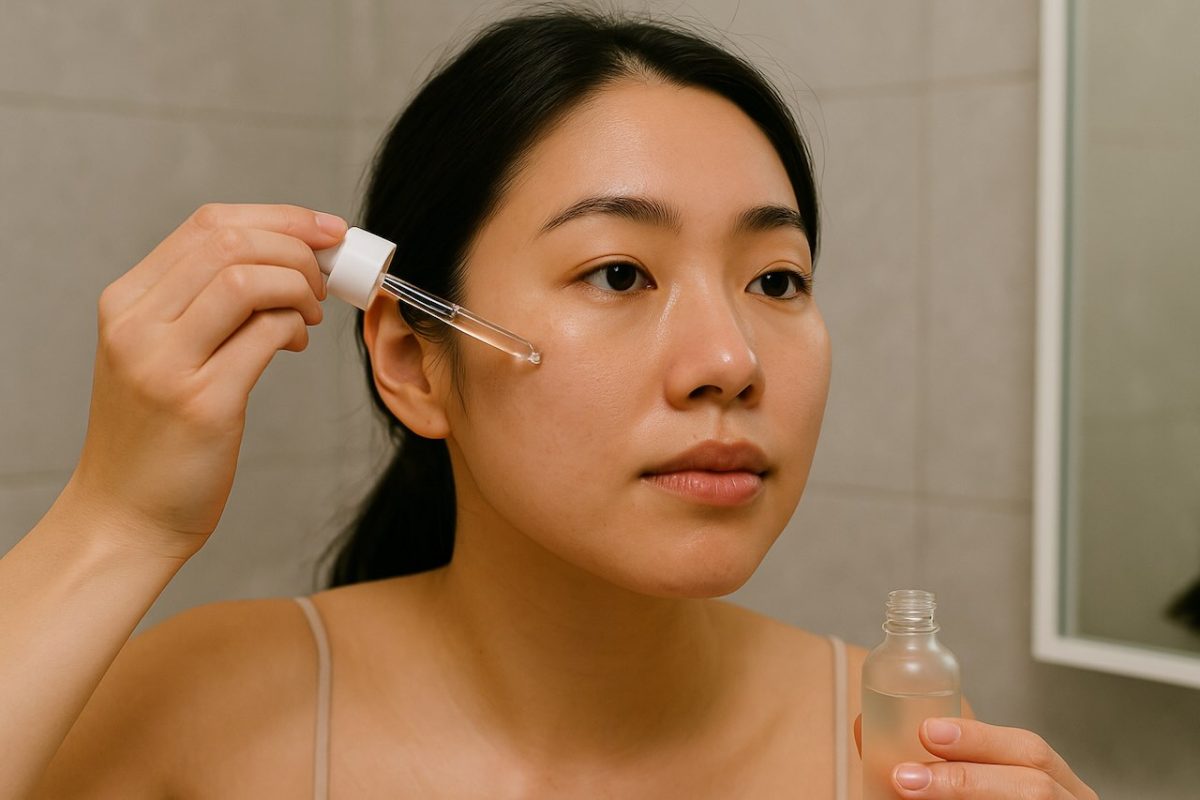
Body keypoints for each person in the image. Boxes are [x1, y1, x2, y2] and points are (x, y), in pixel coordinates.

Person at [1, 9, 1097, 799]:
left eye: (777, 279)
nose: (730, 358)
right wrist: (117, 519)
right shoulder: (204, 705)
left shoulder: (892, 734)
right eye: (619, 273)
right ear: (416, 362)